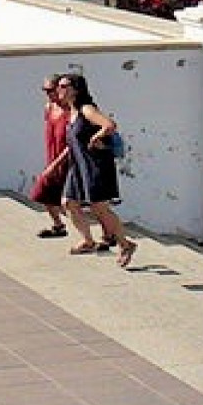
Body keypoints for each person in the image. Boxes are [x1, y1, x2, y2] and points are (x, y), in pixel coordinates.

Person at [55, 73, 137, 268]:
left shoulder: (86, 109)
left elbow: (110, 125)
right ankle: (88, 241)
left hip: (95, 166)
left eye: (64, 86)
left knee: (99, 208)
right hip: (78, 166)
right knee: (68, 203)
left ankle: (125, 245)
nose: (60, 89)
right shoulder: (72, 112)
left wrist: (95, 137)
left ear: (75, 89)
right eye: (59, 85)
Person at [30, 76, 73, 238]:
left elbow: (73, 141)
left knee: (80, 202)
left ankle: (107, 234)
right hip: (52, 157)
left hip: (68, 161)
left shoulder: (70, 111)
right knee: (44, 191)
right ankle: (58, 225)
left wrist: (57, 163)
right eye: (45, 90)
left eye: (50, 90)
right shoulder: (49, 108)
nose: (47, 94)